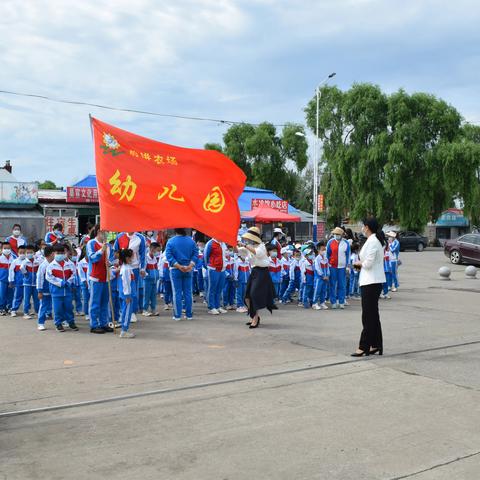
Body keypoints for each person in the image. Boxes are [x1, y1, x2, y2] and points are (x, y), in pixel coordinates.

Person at [351, 217, 386, 356]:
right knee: (373, 315)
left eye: (363, 226)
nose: (362, 228)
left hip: (371, 282)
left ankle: (364, 346)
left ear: (367, 227)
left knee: (368, 316)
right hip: (370, 280)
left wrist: (359, 263)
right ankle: (376, 344)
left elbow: (368, 263)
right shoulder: (372, 241)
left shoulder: (373, 242)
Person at [241, 227, 276, 328]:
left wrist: (245, 245)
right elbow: (239, 252)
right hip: (254, 272)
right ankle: (253, 316)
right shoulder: (249, 247)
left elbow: (258, 254)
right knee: (247, 296)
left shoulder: (261, 246)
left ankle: (255, 318)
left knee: (254, 294)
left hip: (262, 273)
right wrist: (233, 244)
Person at [165, 228, 198, 321]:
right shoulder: (191, 241)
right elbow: (196, 255)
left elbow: (169, 256)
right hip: (188, 269)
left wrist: (179, 266)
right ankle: (189, 315)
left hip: (175, 269)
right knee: (188, 292)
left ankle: (177, 315)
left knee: (177, 293)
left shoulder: (170, 241)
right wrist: (190, 265)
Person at [87, 225, 113, 334]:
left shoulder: (108, 246)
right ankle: (94, 325)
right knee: (95, 302)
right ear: (99, 232)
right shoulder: (91, 243)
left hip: (106, 277)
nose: (106, 234)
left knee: (104, 302)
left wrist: (110, 263)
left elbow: (111, 259)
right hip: (96, 277)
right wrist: (100, 251)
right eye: (105, 232)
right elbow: (92, 258)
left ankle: (104, 323)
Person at [114, 231, 146, 319]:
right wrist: (116, 263)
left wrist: (142, 268)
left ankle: (132, 312)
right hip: (122, 267)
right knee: (122, 289)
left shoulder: (140, 237)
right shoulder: (120, 236)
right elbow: (116, 252)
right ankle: (122, 311)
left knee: (133, 290)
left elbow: (143, 254)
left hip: (134, 267)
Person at [46, 245, 78, 332]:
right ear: (54, 254)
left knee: (69, 307)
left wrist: (69, 281)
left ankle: (71, 322)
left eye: (62, 253)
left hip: (67, 291)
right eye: (58, 253)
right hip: (56, 292)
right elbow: (49, 277)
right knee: (57, 309)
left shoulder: (69, 264)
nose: (60, 254)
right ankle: (58, 324)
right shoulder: (51, 266)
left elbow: (74, 274)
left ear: (65, 253)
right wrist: (60, 282)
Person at [326, 227, 351, 309]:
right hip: (332, 266)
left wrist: (348, 266)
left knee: (342, 284)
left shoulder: (346, 243)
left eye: (338, 234)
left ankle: (341, 301)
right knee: (332, 284)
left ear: (342, 235)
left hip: (342, 267)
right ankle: (333, 301)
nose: (337, 235)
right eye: (335, 234)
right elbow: (327, 254)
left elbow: (348, 255)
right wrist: (328, 264)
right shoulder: (330, 242)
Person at [204, 237, 227, 315]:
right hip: (213, 268)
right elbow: (205, 256)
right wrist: (208, 266)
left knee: (219, 288)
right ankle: (211, 307)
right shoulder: (210, 243)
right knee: (212, 288)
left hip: (222, 269)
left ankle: (217, 306)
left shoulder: (223, 243)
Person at [118, 248, 137, 338]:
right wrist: (128, 295)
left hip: (128, 294)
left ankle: (124, 329)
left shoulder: (127, 268)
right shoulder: (126, 269)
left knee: (126, 311)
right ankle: (124, 330)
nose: (133, 258)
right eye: (131, 256)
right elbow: (126, 283)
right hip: (127, 294)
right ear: (127, 258)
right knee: (127, 312)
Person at [36, 245, 54, 331]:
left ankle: (62, 320)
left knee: (58, 306)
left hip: (54, 290)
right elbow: (39, 278)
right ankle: (40, 323)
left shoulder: (55, 264)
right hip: (45, 290)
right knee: (43, 306)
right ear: (51, 254)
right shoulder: (43, 265)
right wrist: (40, 291)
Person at [20, 245, 40, 319]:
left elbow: (40, 270)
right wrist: (26, 274)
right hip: (27, 283)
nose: (29, 254)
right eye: (27, 253)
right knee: (26, 298)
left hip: (35, 284)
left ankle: (37, 312)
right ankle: (26, 313)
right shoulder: (25, 262)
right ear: (25, 254)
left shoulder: (37, 262)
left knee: (36, 299)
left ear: (34, 253)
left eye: (31, 252)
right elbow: (21, 268)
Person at [143, 241, 161, 316]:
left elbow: (156, 268)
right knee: (146, 295)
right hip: (148, 280)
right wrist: (148, 276)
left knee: (153, 295)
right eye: (157, 250)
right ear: (152, 249)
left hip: (154, 280)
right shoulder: (146, 258)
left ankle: (153, 309)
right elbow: (143, 270)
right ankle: (145, 310)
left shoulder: (154, 258)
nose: (158, 252)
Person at [9, 245, 26, 317]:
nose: (22, 254)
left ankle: (26, 311)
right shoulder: (15, 261)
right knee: (17, 296)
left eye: (23, 252)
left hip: (27, 283)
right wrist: (11, 281)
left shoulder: (28, 261)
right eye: (20, 252)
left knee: (27, 298)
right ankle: (13, 310)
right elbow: (11, 271)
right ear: (18, 253)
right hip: (18, 282)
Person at [313, 241, 330, 310]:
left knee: (324, 290)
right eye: (323, 250)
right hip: (319, 278)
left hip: (325, 277)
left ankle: (322, 303)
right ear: (318, 250)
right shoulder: (317, 259)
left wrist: (328, 275)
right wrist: (323, 276)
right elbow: (317, 269)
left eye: (325, 249)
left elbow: (328, 267)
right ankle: (315, 303)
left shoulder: (325, 258)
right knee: (317, 290)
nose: (324, 251)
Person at [234, 248, 250, 313]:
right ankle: (239, 306)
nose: (245, 255)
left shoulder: (247, 262)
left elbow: (250, 271)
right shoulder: (237, 262)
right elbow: (235, 272)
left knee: (244, 293)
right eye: (243, 253)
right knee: (239, 293)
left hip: (246, 280)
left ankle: (243, 305)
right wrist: (236, 280)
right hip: (240, 280)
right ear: (240, 255)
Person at [0, 242, 14, 315]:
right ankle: (1, 308)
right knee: (2, 294)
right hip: (2, 280)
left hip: (11, 280)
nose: (7, 250)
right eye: (5, 248)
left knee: (10, 294)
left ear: (11, 249)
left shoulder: (14, 257)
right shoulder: (0, 258)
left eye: (8, 248)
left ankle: (10, 307)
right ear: (2, 249)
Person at [77, 248, 90, 320]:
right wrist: (86, 283)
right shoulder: (81, 263)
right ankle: (87, 313)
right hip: (85, 284)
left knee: (93, 299)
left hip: (92, 283)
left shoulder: (93, 261)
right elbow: (81, 275)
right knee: (86, 299)